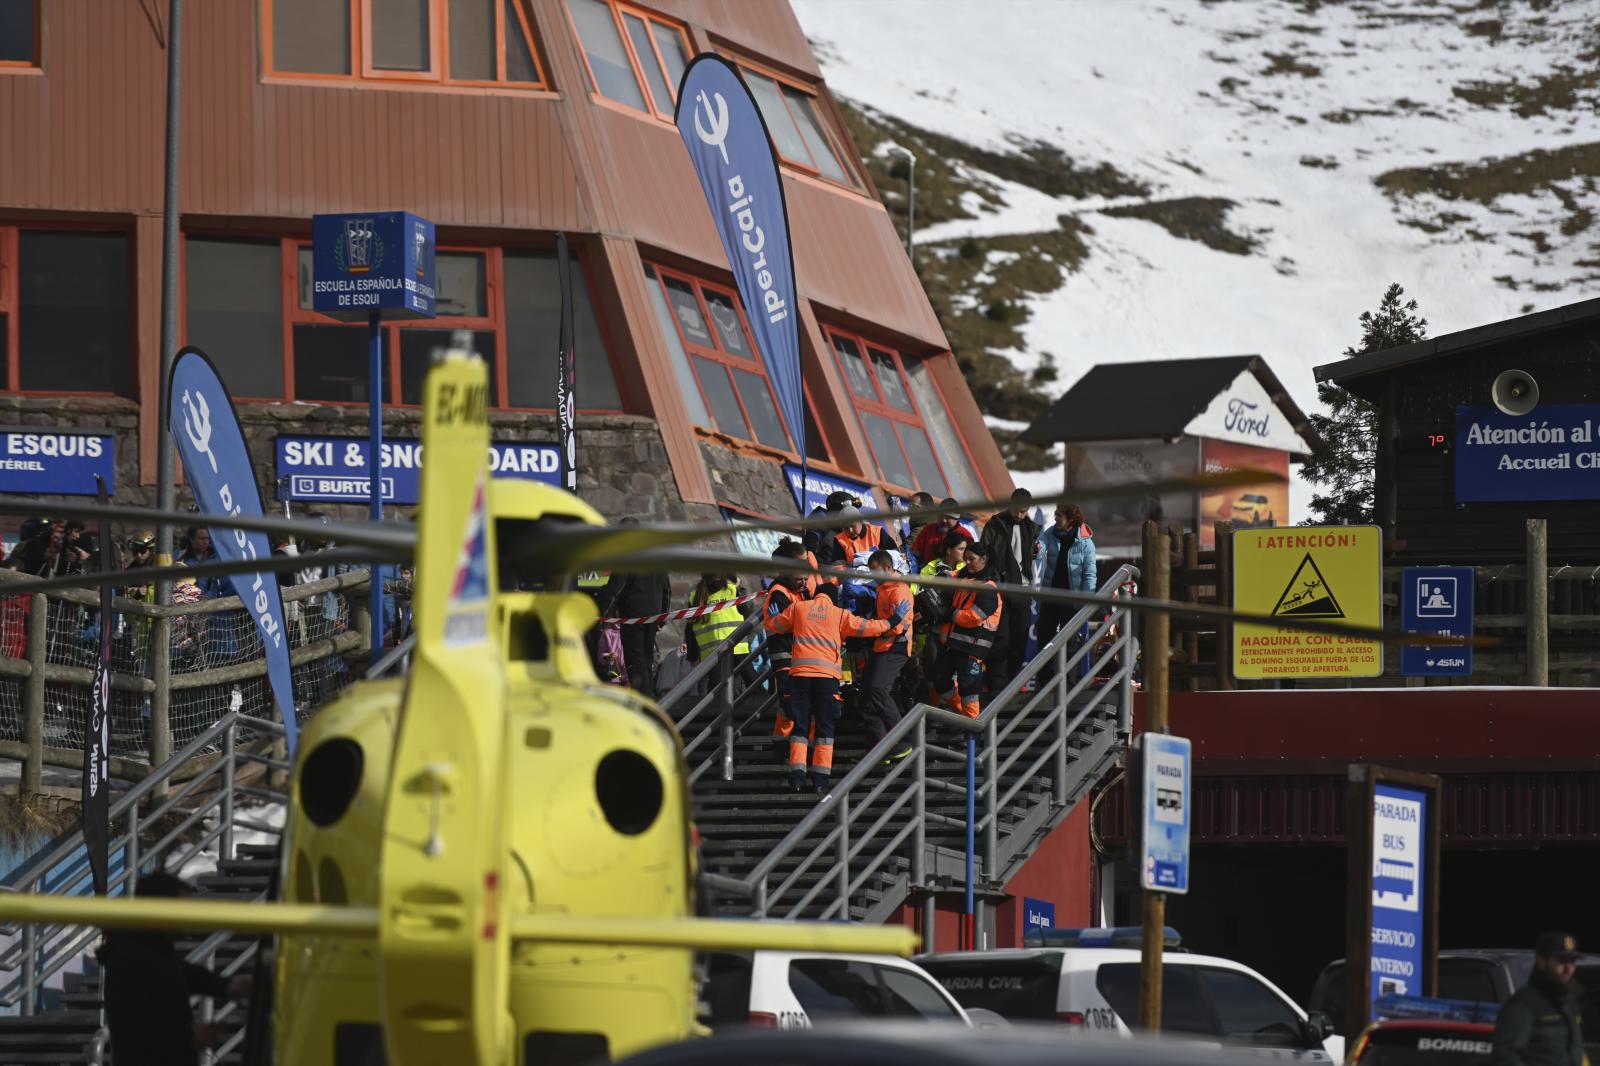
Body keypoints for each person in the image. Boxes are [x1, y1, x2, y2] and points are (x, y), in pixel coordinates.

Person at [98, 871, 251, 1066]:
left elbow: (185, 974)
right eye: (181, 910)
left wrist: (227, 986)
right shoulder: (132, 959)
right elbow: (134, 1028)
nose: (187, 919)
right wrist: (188, 1036)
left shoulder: (150, 950)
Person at [765, 583, 889, 793]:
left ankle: (797, 777)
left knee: (800, 727)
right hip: (826, 679)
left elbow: (775, 626)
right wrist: (892, 621)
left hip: (800, 676)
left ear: (816, 595)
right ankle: (820, 781)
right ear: (833, 599)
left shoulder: (799, 608)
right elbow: (867, 628)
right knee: (824, 729)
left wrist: (772, 618)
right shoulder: (839, 614)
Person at [1490, 932, 1586, 1066]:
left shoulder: (1568, 1003)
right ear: (1542, 961)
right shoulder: (1523, 1005)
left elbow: (1576, 1051)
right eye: (1561, 961)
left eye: (1572, 961)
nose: (1568, 968)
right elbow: (1505, 1058)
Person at [978, 489, 1040, 692]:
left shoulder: (1030, 528)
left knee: (1019, 641)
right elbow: (984, 553)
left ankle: (1009, 685)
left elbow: (1028, 556)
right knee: (1001, 639)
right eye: (1017, 510)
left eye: (1023, 512)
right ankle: (997, 686)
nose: (1019, 515)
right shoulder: (995, 524)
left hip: (1021, 589)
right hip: (1000, 589)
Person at [935, 539, 1003, 720]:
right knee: (940, 680)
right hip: (954, 643)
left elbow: (974, 617)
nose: (967, 563)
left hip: (973, 647)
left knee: (969, 689)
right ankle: (964, 719)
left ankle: (973, 732)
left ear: (984, 559)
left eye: (971, 559)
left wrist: (949, 614)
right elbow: (953, 575)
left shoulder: (988, 587)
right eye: (965, 558)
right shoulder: (967, 576)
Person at [599, 533, 672, 695]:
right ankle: (650, 696)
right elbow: (667, 590)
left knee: (635, 661)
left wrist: (599, 614)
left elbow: (613, 590)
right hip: (653, 618)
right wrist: (662, 616)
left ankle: (645, 699)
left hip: (633, 618)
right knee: (647, 660)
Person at [863, 551, 914, 763]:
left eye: (875, 572)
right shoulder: (882, 588)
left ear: (887, 568)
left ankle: (901, 741)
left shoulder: (899, 590)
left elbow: (899, 626)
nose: (873, 576)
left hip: (896, 646)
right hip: (882, 645)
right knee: (866, 692)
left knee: (877, 689)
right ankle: (879, 748)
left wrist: (873, 629)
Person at [764, 540, 810, 751]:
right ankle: (782, 744)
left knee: (793, 701)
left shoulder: (796, 591)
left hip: (797, 653)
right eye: (801, 578)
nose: (804, 582)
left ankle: (782, 743)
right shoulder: (779, 593)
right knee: (790, 700)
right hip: (784, 654)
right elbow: (784, 624)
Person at [1037, 505, 1097, 653]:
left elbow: (1090, 574)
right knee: (1044, 637)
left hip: (1072, 600)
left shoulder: (1086, 543)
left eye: (1059, 515)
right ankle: (1045, 676)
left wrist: (1085, 601)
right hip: (1051, 596)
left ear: (1071, 519)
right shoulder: (1050, 533)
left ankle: (1068, 676)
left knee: (1069, 642)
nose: (1055, 518)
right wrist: (1036, 549)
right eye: (1055, 514)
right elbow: (1039, 549)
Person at [687, 573, 748, 664]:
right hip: (737, 650)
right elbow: (748, 615)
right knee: (751, 677)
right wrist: (740, 589)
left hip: (710, 657)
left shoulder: (694, 597)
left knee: (718, 679)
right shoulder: (732, 591)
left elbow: (690, 631)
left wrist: (692, 657)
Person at [911, 498, 972, 566]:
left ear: (956, 519)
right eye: (941, 515)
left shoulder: (965, 536)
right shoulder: (928, 529)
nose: (944, 520)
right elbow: (916, 552)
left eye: (948, 517)